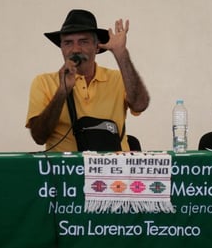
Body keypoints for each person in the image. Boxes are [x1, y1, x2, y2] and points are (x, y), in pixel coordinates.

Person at [26, 9, 150, 151]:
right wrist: (61, 92)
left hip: (113, 169)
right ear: (61, 48)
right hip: (66, 170)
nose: (75, 49)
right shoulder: (43, 82)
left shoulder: (117, 78)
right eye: (68, 43)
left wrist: (121, 54)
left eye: (83, 42)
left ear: (97, 47)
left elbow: (140, 105)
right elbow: (39, 137)